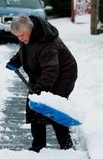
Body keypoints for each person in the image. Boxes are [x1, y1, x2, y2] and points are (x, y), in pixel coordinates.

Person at [6, 14, 78, 153]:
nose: (21, 39)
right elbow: (24, 51)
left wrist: (39, 89)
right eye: (18, 36)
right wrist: (15, 61)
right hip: (41, 73)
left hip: (63, 75)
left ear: (31, 29)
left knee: (53, 108)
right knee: (33, 106)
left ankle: (66, 146)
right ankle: (38, 145)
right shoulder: (28, 36)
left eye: (22, 35)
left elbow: (52, 70)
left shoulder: (47, 42)